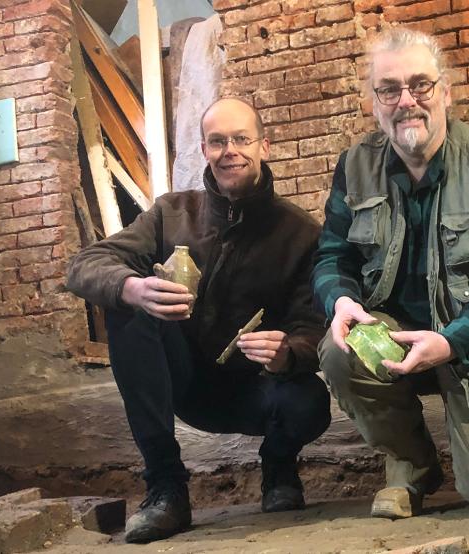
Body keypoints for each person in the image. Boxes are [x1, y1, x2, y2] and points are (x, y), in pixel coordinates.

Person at [66, 98, 331, 543]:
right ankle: (166, 486)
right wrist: (133, 288)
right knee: (125, 309)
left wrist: (287, 354)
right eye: (218, 141)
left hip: (259, 390)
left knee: (310, 402)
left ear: (264, 146)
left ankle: (279, 465)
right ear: (204, 149)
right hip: (183, 382)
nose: (230, 150)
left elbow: (313, 327)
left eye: (242, 139)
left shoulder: (301, 233)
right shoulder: (172, 214)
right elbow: (86, 265)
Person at [313, 27, 469, 519]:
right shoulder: (353, 166)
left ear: (445, 91)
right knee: (339, 350)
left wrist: (453, 340)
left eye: (420, 85)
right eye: (389, 89)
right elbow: (333, 256)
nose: (406, 101)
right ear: (373, 101)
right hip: (394, 336)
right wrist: (341, 300)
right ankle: (412, 466)